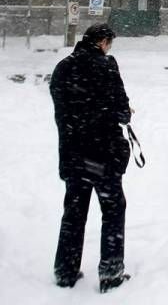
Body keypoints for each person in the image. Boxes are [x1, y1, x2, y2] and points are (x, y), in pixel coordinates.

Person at [50, 23, 132, 293]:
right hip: (103, 154)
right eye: (110, 42)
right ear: (103, 42)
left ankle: (65, 271)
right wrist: (123, 112)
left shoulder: (63, 68)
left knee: (73, 215)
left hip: (73, 154)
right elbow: (122, 111)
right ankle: (110, 273)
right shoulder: (107, 66)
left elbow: (63, 113)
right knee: (112, 211)